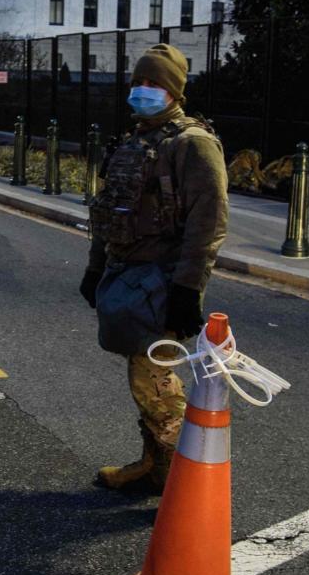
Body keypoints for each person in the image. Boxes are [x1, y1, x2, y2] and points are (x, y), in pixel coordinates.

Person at [78, 44, 228, 493]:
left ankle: (186, 482)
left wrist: (187, 290)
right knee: (143, 376)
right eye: (139, 82)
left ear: (174, 91)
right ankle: (157, 466)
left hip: (162, 280)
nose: (143, 91)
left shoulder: (193, 143)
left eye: (155, 84)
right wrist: (95, 266)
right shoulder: (136, 139)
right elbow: (110, 210)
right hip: (128, 276)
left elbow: (209, 222)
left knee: (154, 381)